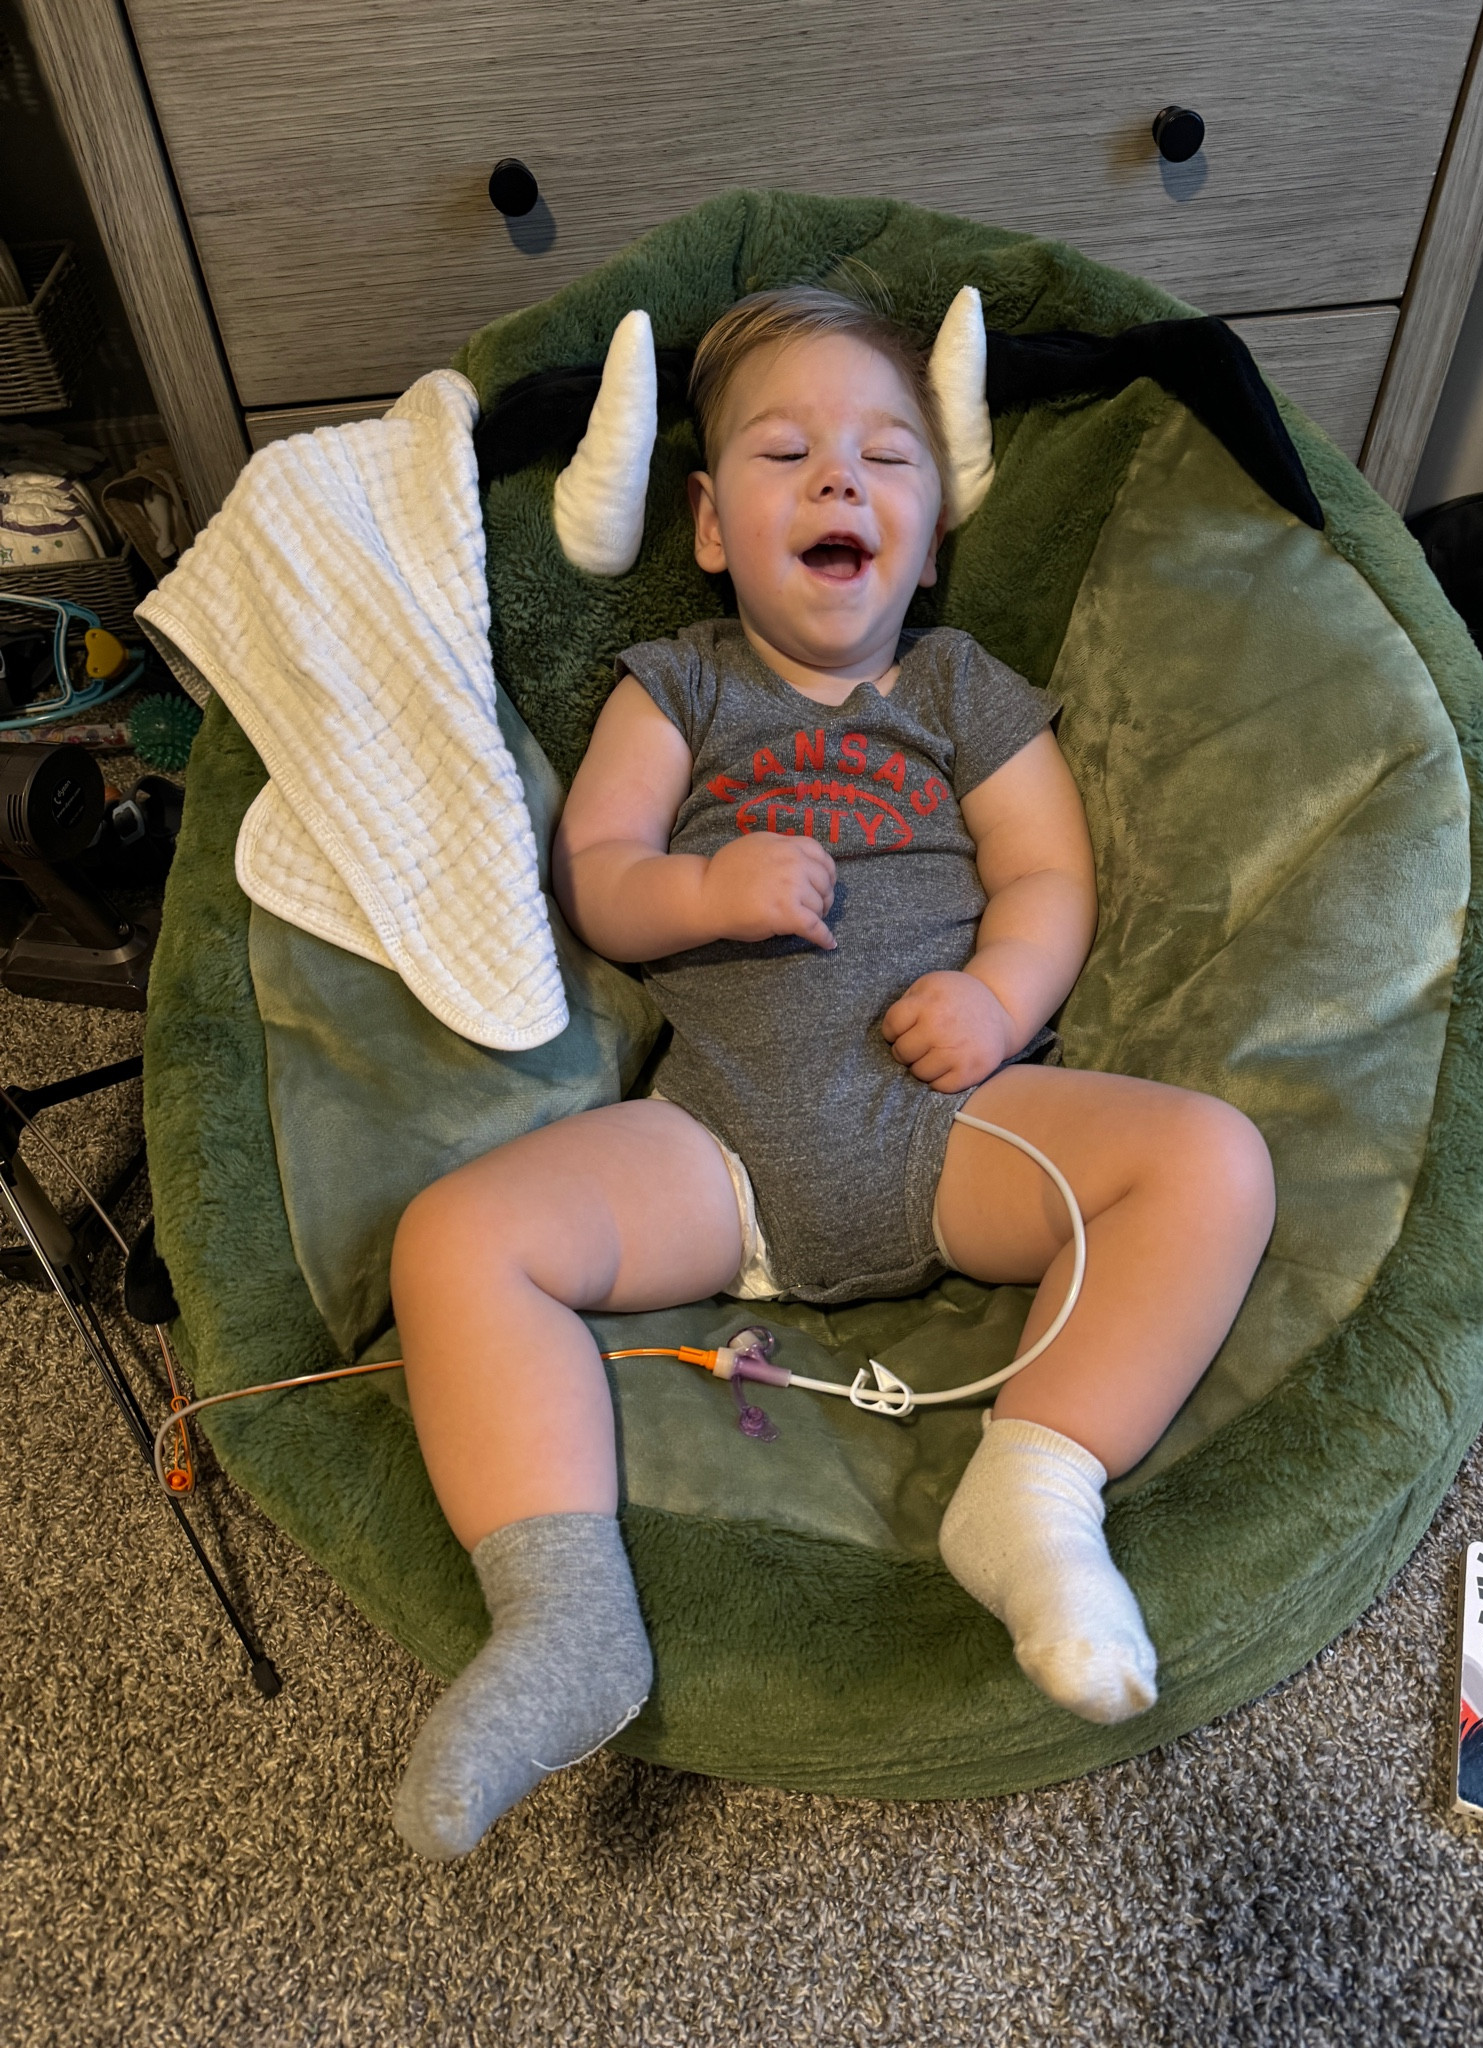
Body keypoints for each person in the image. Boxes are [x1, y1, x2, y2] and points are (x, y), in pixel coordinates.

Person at [389, 287, 1276, 1859]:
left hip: (957, 1123)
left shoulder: (959, 690)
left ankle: (1035, 1492)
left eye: (885, 458)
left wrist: (1000, 1003)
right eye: (785, 451)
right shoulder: (679, 683)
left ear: (928, 541)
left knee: (1212, 1163)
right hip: (715, 1146)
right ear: (712, 524)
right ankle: (562, 1617)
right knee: (454, 1240)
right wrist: (705, 892)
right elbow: (596, 866)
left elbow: (1050, 877)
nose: (838, 481)